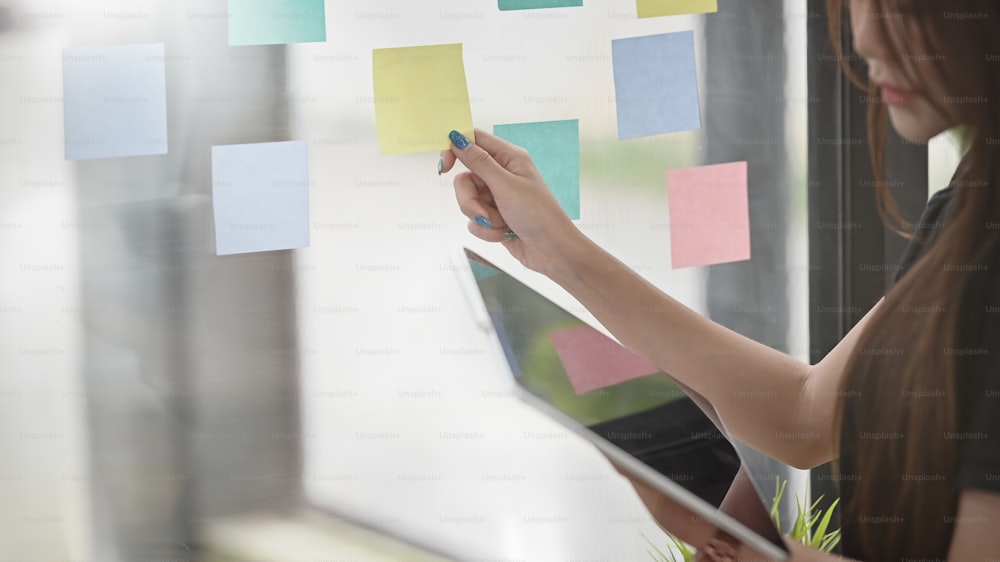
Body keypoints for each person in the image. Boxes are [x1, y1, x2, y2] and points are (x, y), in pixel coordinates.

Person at [438, 0, 1000, 560]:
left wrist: (754, 554)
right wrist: (556, 249)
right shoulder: (971, 206)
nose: (867, 37)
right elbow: (804, 415)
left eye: (903, 5)